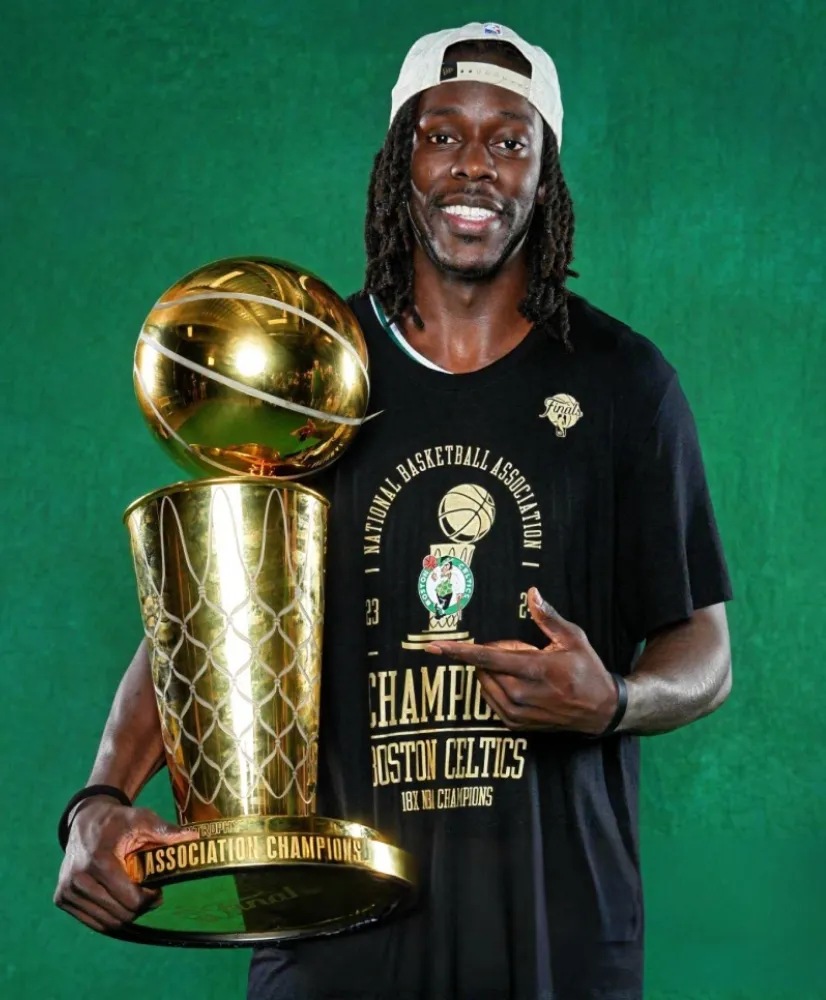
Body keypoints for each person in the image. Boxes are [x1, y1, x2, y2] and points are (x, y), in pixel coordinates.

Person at [54, 22, 733, 1000]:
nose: (474, 164)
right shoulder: (310, 375)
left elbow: (704, 650)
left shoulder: (624, 383)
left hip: (557, 937)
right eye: (441, 133)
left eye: (510, 141)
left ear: (545, 176)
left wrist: (615, 701)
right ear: (396, 164)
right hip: (332, 935)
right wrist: (100, 799)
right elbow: (208, 608)